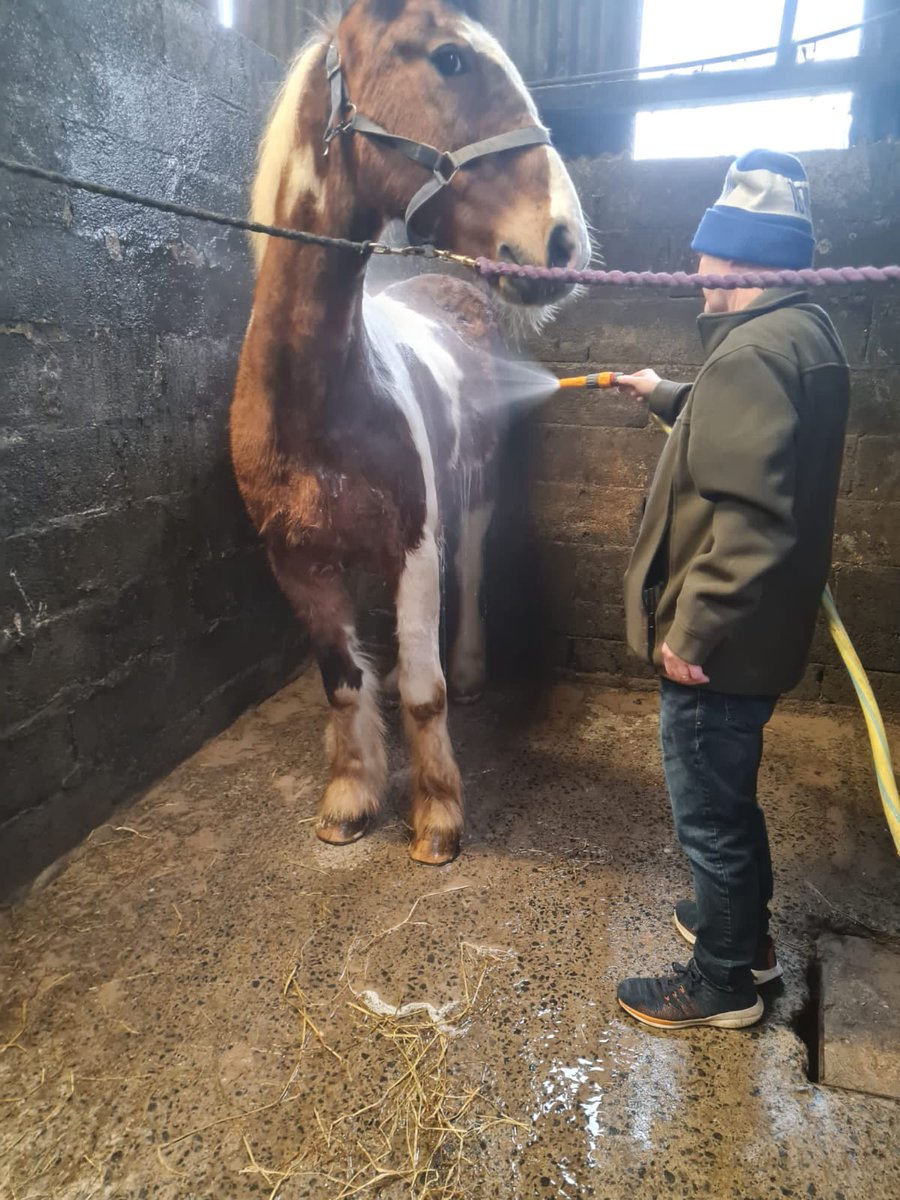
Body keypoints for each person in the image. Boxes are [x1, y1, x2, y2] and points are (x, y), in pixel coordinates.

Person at [614, 150, 850, 1030]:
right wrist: (666, 394)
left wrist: (694, 631)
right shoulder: (803, 334)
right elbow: (755, 437)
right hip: (764, 634)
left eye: (708, 256)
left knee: (708, 813)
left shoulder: (752, 354)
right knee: (730, 792)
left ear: (741, 263)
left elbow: (752, 515)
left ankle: (720, 987)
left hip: (722, 645)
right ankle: (744, 938)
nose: (696, 271)